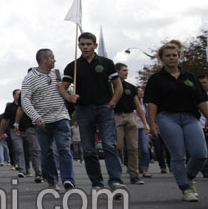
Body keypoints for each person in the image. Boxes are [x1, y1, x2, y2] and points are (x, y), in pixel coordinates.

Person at [61, 32, 125, 191]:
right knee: (89, 149)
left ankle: (115, 181)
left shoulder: (107, 63)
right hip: (84, 110)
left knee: (109, 145)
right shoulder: (73, 66)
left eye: (88, 44)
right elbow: (62, 87)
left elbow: (118, 86)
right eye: (82, 44)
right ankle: (97, 183)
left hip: (105, 108)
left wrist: (112, 103)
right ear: (78, 45)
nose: (85, 47)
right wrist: (69, 97)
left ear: (95, 45)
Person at [145, 41, 208, 202]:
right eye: (168, 56)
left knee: (200, 153)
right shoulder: (156, 79)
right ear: (161, 58)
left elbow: (200, 100)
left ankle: (189, 176)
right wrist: (152, 124)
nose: (172, 58)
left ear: (179, 56)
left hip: (190, 117)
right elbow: (152, 103)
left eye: (175, 55)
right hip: (167, 118)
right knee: (178, 154)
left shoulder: (189, 77)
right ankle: (185, 188)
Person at [21, 48, 75, 189]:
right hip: (43, 121)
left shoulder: (58, 73)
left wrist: (66, 89)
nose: (54, 60)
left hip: (61, 116)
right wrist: (35, 116)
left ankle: (68, 180)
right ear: (44, 60)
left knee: (64, 149)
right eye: (52, 58)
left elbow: (71, 89)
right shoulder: (29, 78)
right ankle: (52, 181)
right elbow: (25, 100)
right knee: (47, 152)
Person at [113, 63, 149, 184]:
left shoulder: (131, 87)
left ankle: (134, 175)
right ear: (117, 71)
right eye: (124, 70)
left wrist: (145, 123)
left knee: (133, 147)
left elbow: (138, 107)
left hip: (130, 116)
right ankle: (118, 171)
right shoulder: (110, 86)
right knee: (118, 146)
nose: (126, 72)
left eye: (127, 70)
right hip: (116, 116)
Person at [0, 89, 41, 181]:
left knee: (30, 151)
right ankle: (22, 170)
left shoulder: (28, 105)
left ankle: (33, 170)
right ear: (14, 96)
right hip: (15, 131)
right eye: (18, 94)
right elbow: (4, 120)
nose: (20, 95)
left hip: (28, 130)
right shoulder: (10, 107)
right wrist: (1, 133)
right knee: (19, 150)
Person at [137, 86, 152, 177]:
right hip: (133, 128)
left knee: (144, 149)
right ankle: (135, 168)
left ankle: (145, 169)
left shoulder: (146, 104)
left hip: (144, 127)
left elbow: (150, 116)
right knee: (134, 149)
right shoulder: (131, 103)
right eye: (139, 91)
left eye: (142, 91)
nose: (141, 93)